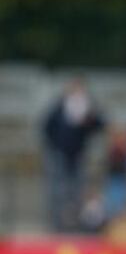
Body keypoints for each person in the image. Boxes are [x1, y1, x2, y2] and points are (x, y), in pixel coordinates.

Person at [42, 76, 105, 232]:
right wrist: (55, 145)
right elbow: (46, 126)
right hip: (60, 154)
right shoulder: (59, 107)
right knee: (59, 190)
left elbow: (101, 125)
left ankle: (78, 224)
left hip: (79, 155)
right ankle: (57, 224)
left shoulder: (88, 108)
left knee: (78, 190)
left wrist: (89, 117)